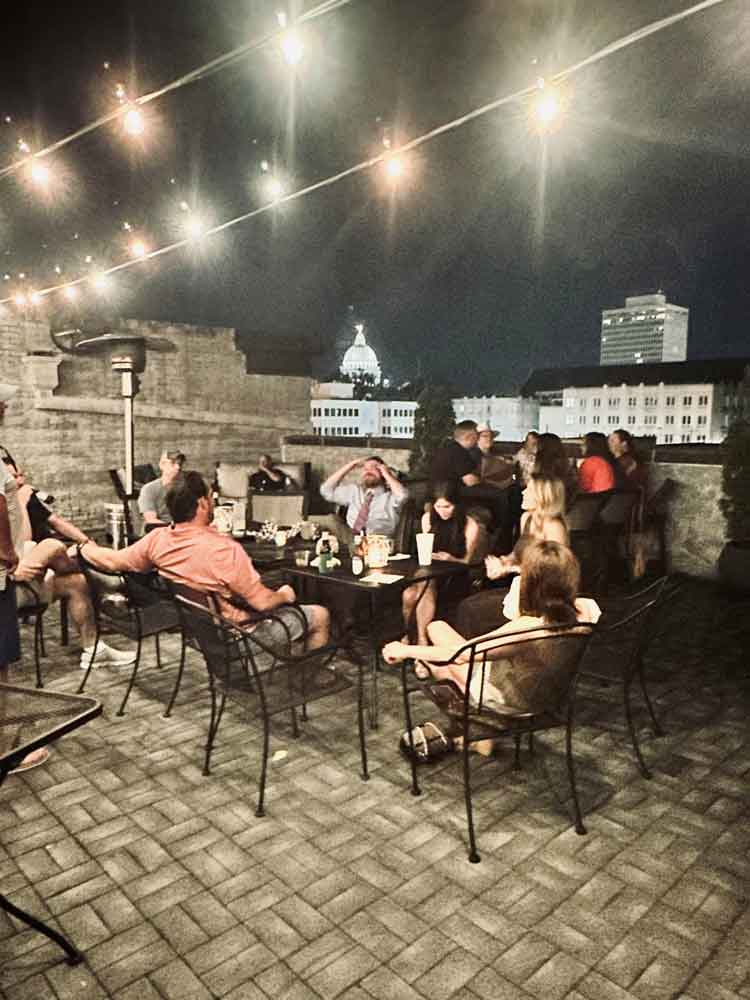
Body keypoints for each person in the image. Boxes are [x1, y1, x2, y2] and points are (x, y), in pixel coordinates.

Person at [81, 471, 330, 651]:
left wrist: (83, 547)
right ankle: (303, 682)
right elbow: (264, 603)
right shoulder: (225, 550)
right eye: (211, 496)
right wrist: (285, 595)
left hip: (201, 634)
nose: (213, 500)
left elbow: (113, 561)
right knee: (320, 614)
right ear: (202, 503)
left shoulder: (158, 539)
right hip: (240, 637)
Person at [384, 541, 599, 726]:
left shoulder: (528, 627)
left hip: (511, 699)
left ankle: (470, 727)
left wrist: (405, 650)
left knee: (436, 661)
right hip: (544, 690)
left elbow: (460, 654)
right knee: (435, 627)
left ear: (531, 583)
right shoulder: (588, 610)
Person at [455, 473, 568, 638]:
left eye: (528, 489)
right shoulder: (527, 518)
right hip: (522, 587)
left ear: (543, 496)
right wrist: (503, 562)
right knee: (467, 606)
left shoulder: (554, 526)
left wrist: (510, 569)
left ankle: (469, 657)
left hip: (543, 596)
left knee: (470, 610)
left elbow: (554, 570)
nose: (522, 493)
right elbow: (517, 554)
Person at [401, 481, 485, 645]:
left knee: (416, 588)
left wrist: (451, 559)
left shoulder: (470, 524)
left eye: (447, 506)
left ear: (457, 504)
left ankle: (419, 641)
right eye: (438, 507)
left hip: (454, 576)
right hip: (429, 572)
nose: (442, 511)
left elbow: (467, 561)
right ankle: (416, 637)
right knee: (409, 594)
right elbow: (425, 548)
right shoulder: (428, 518)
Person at [2, 457, 90, 546]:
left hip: (50, 548)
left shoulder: (28, 497)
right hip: (33, 554)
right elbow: (25, 544)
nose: (21, 481)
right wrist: (22, 502)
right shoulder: (7, 505)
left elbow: (55, 521)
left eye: (21, 475)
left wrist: (86, 541)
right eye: (14, 477)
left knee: (92, 551)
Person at [320, 456, 407, 539]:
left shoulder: (390, 497)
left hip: (377, 541)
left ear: (382, 472)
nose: (368, 471)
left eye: (374, 468)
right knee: (329, 519)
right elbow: (326, 490)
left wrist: (387, 474)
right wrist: (352, 465)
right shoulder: (354, 491)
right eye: (365, 469)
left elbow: (402, 496)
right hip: (351, 539)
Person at [138, 449, 186, 528]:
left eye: (180, 464)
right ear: (162, 465)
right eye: (173, 463)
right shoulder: (149, 489)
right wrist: (173, 528)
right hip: (158, 533)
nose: (178, 467)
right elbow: (151, 520)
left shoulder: (186, 488)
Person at [429, 421, 480, 490]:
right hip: (450, 496)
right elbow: (470, 482)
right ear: (468, 437)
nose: (478, 440)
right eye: (476, 437)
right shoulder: (460, 453)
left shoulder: (448, 449)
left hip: (439, 493)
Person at [476, 425, 514, 490]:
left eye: (491, 436)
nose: (489, 438)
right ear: (477, 439)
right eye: (485, 436)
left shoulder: (495, 453)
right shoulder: (474, 455)